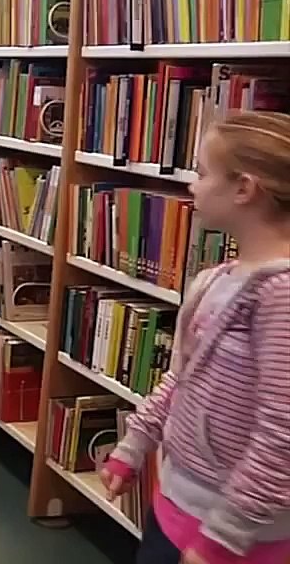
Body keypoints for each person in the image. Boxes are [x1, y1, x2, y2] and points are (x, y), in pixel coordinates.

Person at [99, 110, 290, 564]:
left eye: (203, 173)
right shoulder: (219, 279)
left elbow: (282, 434)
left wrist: (220, 540)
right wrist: (135, 445)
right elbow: (183, 376)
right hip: (179, 504)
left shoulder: (280, 294)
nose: (192, 185)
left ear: (244, 189)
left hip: (239, 537)